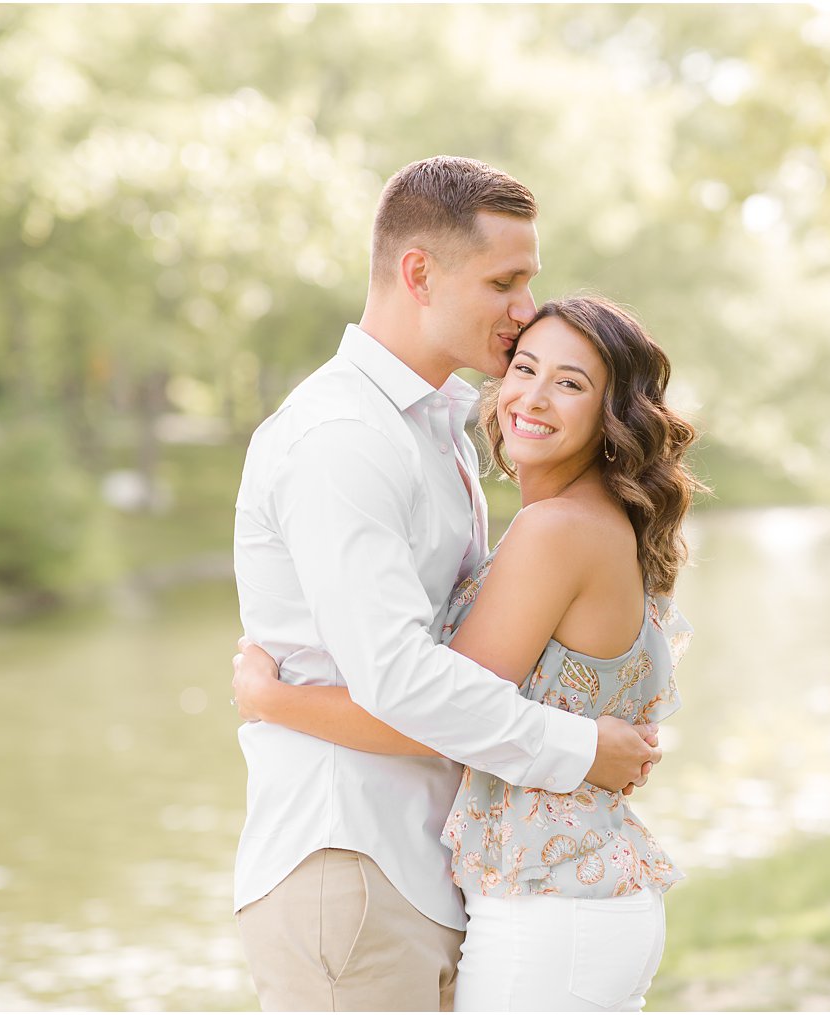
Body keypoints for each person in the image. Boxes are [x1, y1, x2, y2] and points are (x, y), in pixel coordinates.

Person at [230, 157, 663, 1012]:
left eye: (527, 282)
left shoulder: (440, 429)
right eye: (505, 281)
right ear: (418, 273)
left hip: (434, 867)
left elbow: (477, 660)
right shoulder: (342, 437)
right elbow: (400, 677)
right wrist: (580, 749)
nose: (523, 309)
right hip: (350, 860)